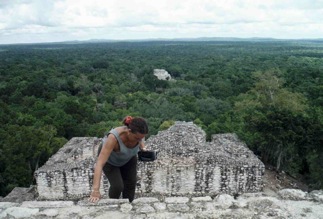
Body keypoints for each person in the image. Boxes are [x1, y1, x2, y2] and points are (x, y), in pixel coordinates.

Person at [89, 116, 148, 203]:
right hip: (110, 161)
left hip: (128, 158)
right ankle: (113, 205)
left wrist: (143, 148)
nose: (139, 140)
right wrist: (95, 190)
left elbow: (140, 139)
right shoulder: (113, 138)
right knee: (117, 186)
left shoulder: (138, 135)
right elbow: (100, 163)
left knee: (131, 183)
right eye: (137, 138)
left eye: (141, 138)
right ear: (129, 132)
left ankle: (128, 204)